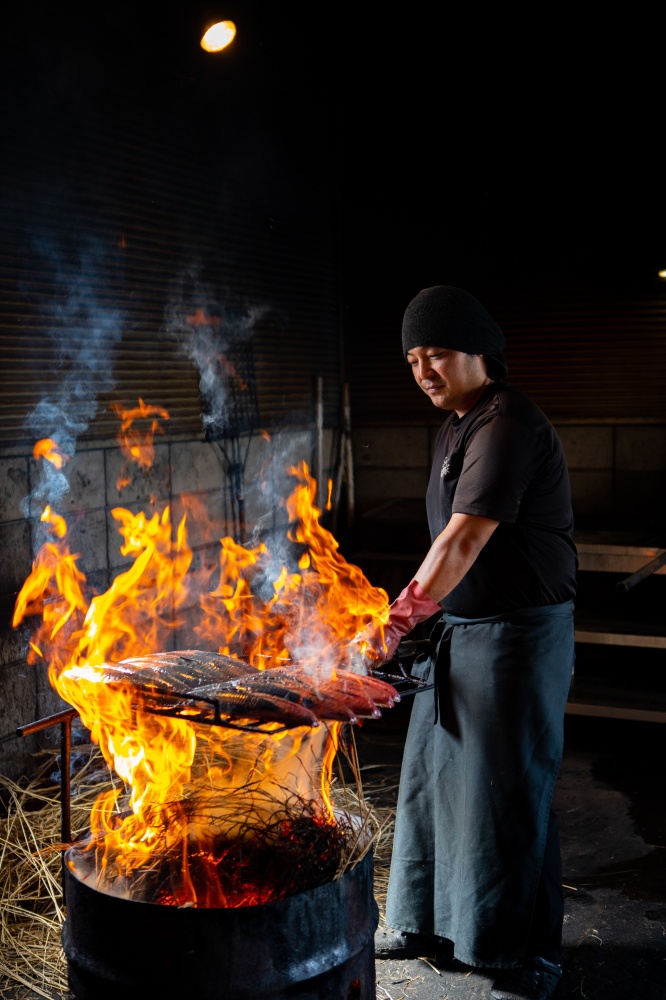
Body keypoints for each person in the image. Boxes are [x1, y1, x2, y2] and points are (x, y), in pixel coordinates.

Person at [362, 285, 577, 1000]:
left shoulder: (507, 422)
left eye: (439, 354)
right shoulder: (457, 422)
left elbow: (462, 539)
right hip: (462, 632)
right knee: (431, 784)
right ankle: (425, 926)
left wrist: (394, 622)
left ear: (480, 352)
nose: (425, 370)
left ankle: (525, 949)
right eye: (414, 359)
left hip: (518, 639)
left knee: (510, 789)